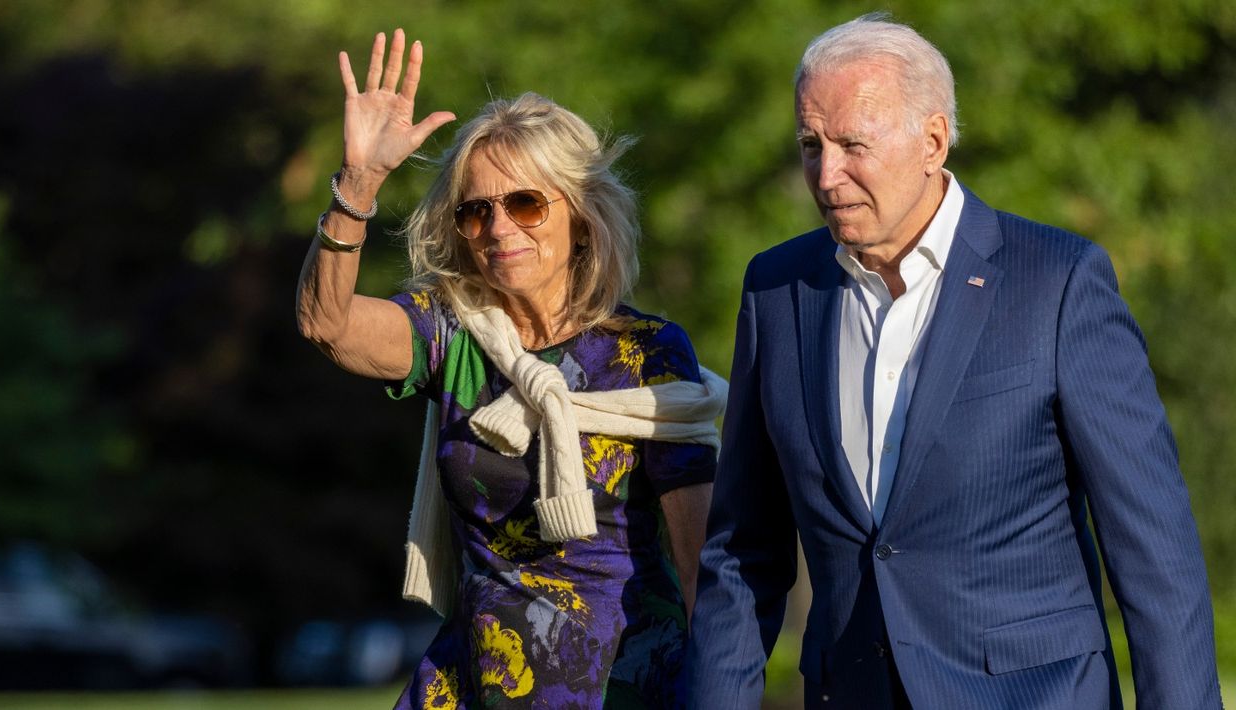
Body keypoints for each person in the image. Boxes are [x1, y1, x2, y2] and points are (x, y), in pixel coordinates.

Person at [688, 13, 1221, 710]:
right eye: (809, 144)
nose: (827, 173)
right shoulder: (777, 290)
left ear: (933, 139)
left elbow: (1156, 557)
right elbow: (743, 553)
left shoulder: (1058, 282)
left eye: (853, 144)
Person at [296, 29, 725, 708]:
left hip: (620, 687)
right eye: (476, 211)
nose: (499, 227)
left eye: (525, 203)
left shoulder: (645, 353)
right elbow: (327, 324)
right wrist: (360, 182)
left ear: (581, 217)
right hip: (473, 684)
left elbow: (702, 562)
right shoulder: (453, 334)